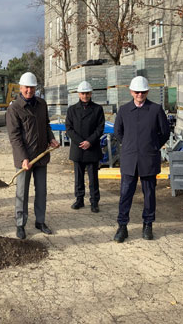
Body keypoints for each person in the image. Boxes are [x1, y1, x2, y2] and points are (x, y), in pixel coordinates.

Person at [113, 76, 169, 243]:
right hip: (130, 159)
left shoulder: (156, 110)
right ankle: (122, 226)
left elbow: (164, 132)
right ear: (131, 92)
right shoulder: (123, 110)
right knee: (125, 194)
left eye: (143, 92)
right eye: (137, 92)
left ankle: (148, 225)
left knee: (149, 194)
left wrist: (153, 146)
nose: (140, 95)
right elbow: (118, 132)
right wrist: (130, 145)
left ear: (147, 92)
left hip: (148, 158)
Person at [6, 72, 59, 240]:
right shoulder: (14, 108)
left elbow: (46, 125)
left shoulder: (41, 104)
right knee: (22, 191)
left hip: (41, 156)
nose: (29, 90)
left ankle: (40, 221)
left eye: (32, 87)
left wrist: (51, 138)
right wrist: (23, 158)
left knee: (41, 191)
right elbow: (14, 136)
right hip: (25, 159)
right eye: (26, 87)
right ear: (20, 88)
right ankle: (20, 224)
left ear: (35, 88)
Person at [65, 81, 105, 213]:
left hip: (92, 148)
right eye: (83, 93)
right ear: (78, 94)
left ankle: (94, 202)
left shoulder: (98, 109)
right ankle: (79, 199)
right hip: (78, 148)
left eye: (87, 93)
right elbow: (69, 129)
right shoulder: (72, 110)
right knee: (78, 177)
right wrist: (80, 142)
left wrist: (90, 141)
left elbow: (100, 128)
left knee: (93, 177)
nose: (85, 96)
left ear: (91, 93)